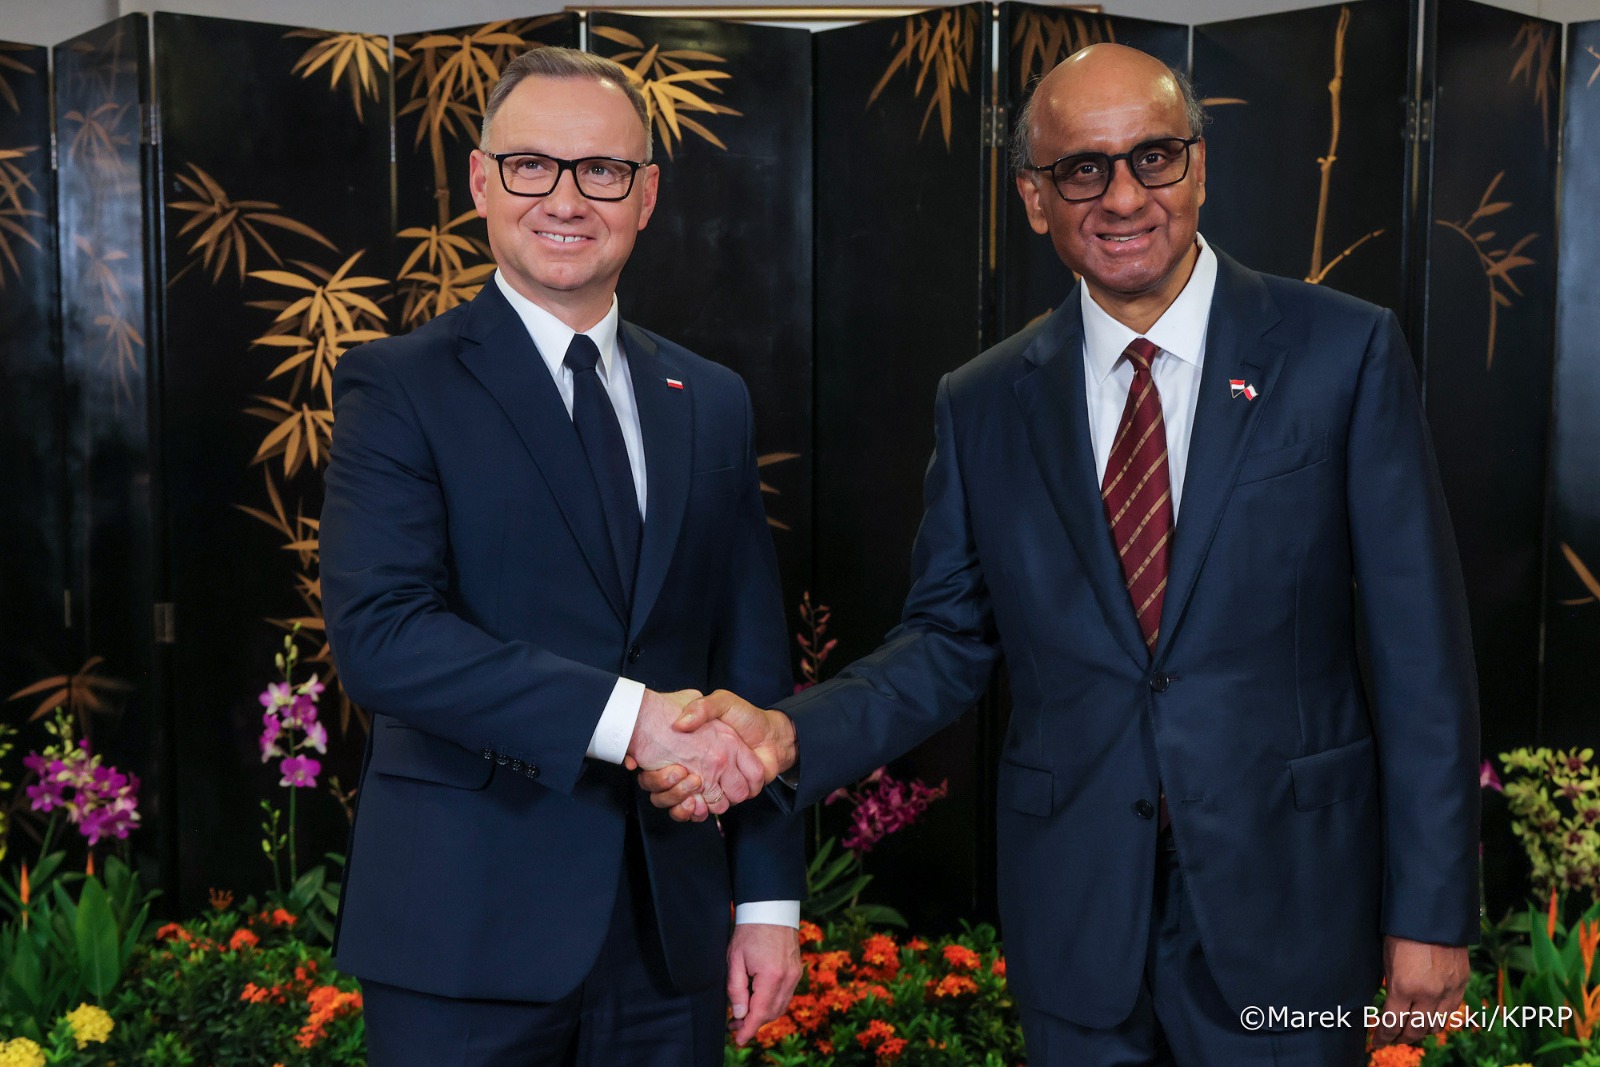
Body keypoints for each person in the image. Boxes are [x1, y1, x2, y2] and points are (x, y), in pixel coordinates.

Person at [645, 43, 1479, 1067]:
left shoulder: (1341, 352)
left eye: (1153, 157)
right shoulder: (983, 400)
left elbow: (1420, 651)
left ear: (1200, 166)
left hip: (1292, 904)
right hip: (1077, 920)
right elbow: (946, 640)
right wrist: (784, 734)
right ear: (1034, 199)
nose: (1123, 196)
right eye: (1082, 168)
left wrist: (1432, 908)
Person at [321, 47, 802, 1066]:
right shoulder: (396, 387)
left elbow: (753, 665)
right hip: (463, 931)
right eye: (533, 164)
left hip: (669, 936)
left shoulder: (710, 400)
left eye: (603, 170)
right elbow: (383, 638)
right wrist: (634, 723)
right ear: (481, 180)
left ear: (646, 195)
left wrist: (767, 900)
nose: (567, 199)